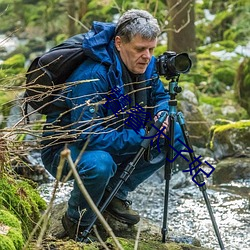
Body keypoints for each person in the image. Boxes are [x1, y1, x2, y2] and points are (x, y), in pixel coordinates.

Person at [41, 9, 184, 241]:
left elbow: (160, 97)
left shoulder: (145, 65)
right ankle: (76, 221)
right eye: (140, 49)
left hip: (116, 135)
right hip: (66, 150)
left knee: (174, 131)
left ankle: (115, 193)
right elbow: (87, 136)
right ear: (119, 43)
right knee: (100, 164)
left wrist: (162, 114)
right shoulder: (93, 75)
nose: (147, 56)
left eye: (152, 49)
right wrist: (142, 136)